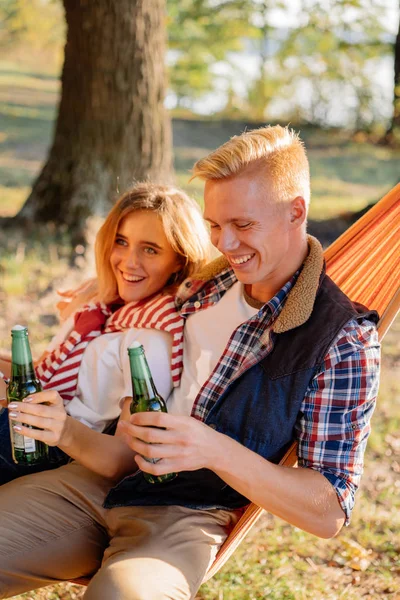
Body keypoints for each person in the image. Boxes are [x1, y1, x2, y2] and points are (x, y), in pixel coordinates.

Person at [0, 125, 380, 600]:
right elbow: (144, 269)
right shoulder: (202, 284)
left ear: (295, 211)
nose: (226, 244)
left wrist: (213, 448)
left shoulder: (341, 339)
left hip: (185, 515)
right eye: (215, 226)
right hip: (98, 480)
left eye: (242, 225)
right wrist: (101, 292)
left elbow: (327, 512)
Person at [0, 182, 211, 484]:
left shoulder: (152, 337)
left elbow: (122, 460)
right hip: (28, 419)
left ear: (179, 260)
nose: (129, 262)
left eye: (150, 249)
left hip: (47, 445)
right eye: (121, 242)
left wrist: (62, 431)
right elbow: (43, 372)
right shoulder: (108, 307)